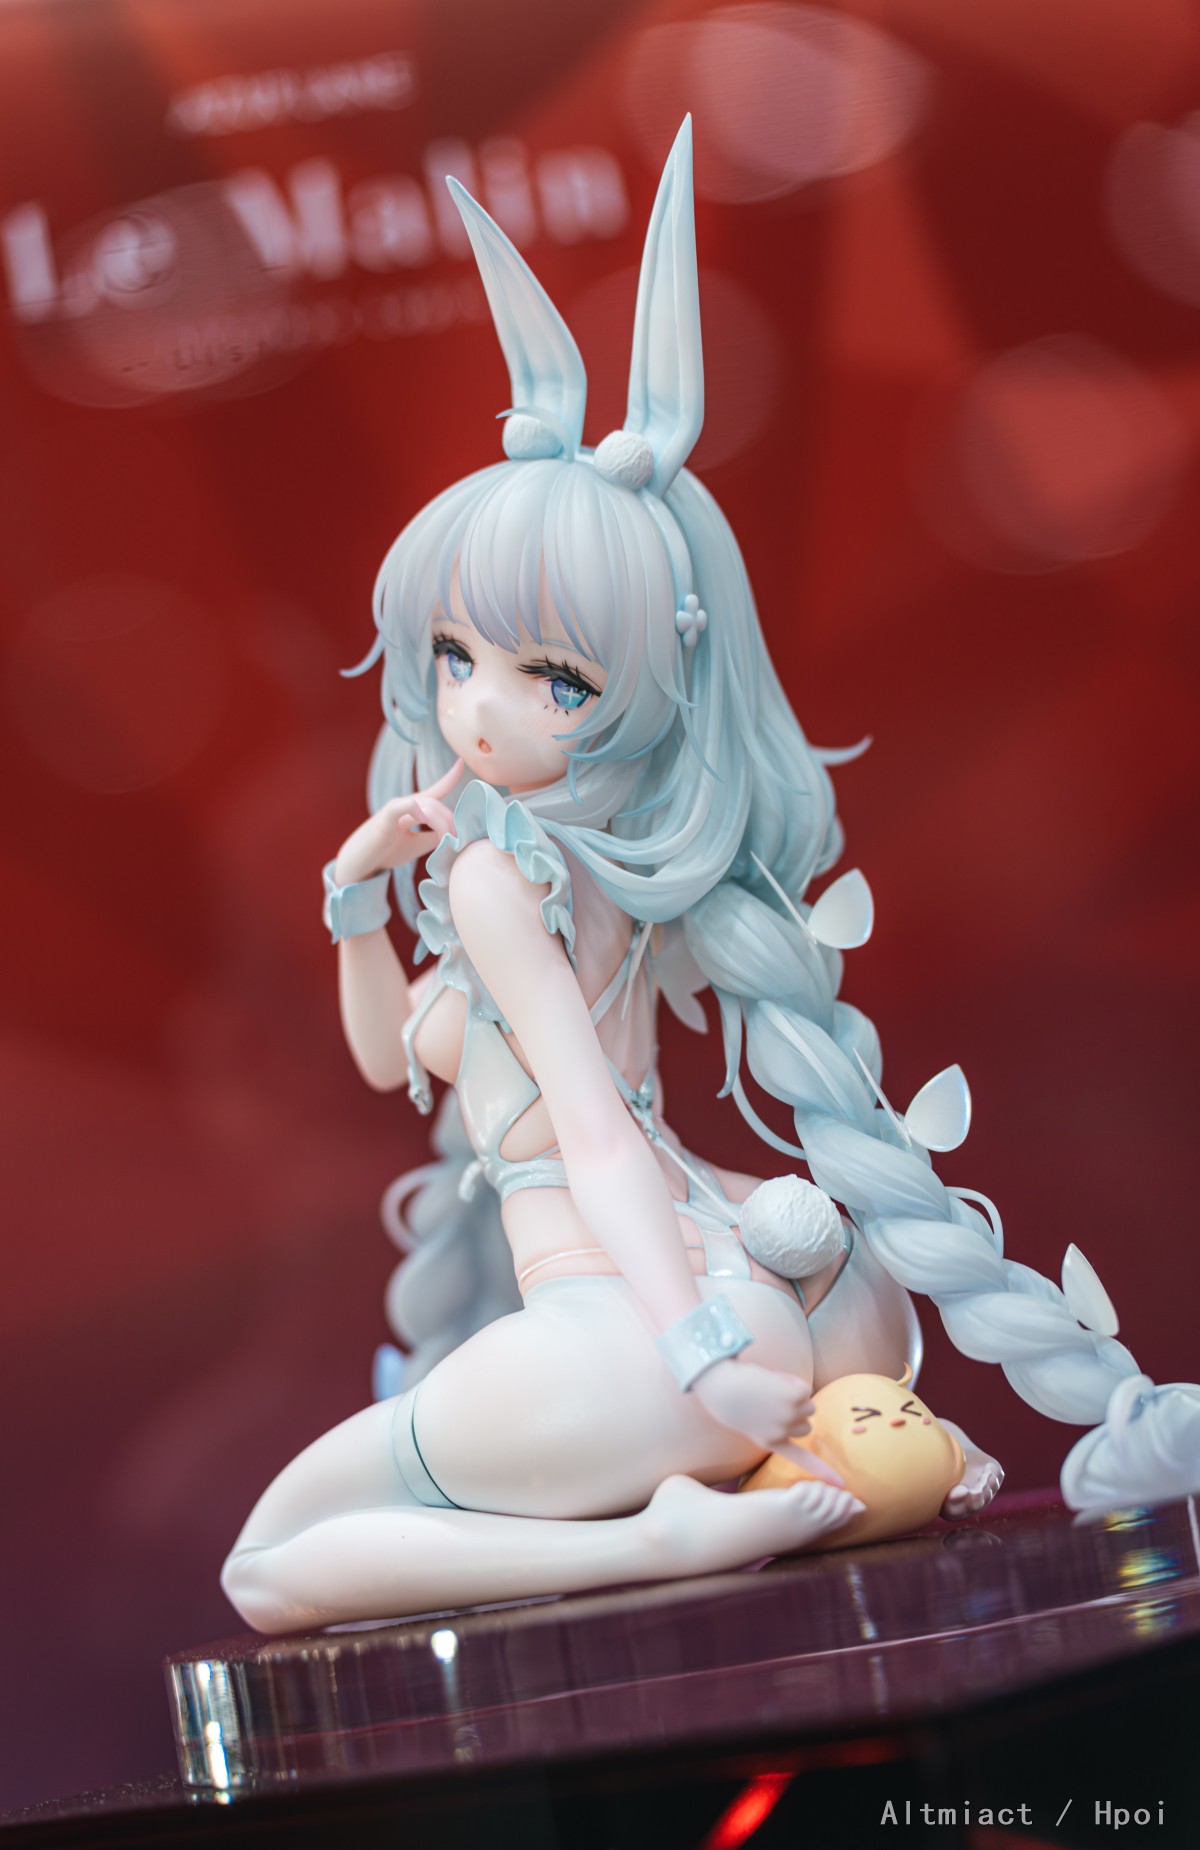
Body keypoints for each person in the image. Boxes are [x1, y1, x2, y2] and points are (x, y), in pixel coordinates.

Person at [222, 122, 1196, 1635]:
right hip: (776, 1288)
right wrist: (355, 893)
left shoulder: (498, 882)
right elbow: (387, 1054)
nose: (475, 709)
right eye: (455, 657)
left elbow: (599, 1133)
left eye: (550, 676)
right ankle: (813, 1454)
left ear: (641, 685)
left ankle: (654, 1541)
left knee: (269, 1566)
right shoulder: (605, 858)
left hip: (640, 1328)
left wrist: (690, 1350)